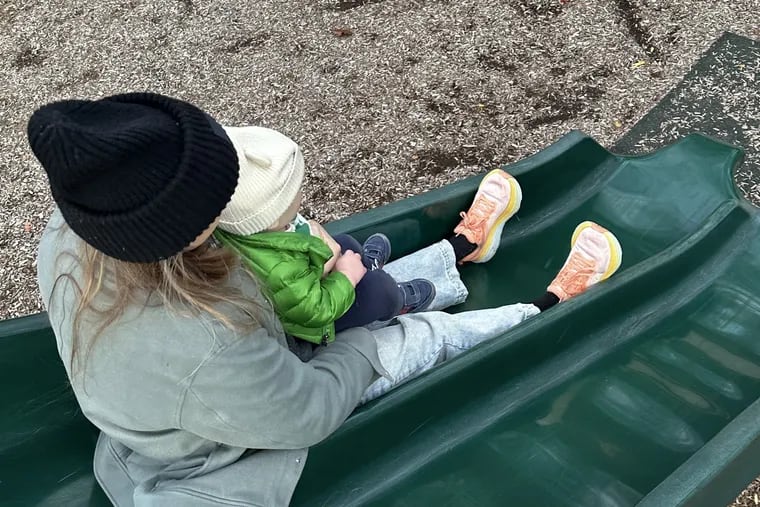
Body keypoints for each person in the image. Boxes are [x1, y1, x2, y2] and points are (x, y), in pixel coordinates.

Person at [31, 92, 622, 506]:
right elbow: (306, 413)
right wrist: (364, 345)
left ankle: (460, 249)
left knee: (354, 280)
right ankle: (542, 309)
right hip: (236, 422)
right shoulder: (206, 341)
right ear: (182, 231)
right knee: (412, 338)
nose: (231, 202)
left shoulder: (74, 230)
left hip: (242, 356)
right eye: (220, 199)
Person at [210, 125, 437, 346]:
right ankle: (396, 301)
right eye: (296, 191)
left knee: (346, 244)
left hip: (298, 289)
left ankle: (366, 270)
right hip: (313, 327)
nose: (301, 192)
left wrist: (325, 264)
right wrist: (346, 276)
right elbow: (317, 310)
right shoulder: (280, 272)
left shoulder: (244, 226)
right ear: (273, 218)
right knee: (380, 290)